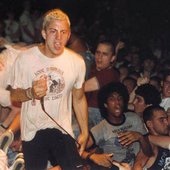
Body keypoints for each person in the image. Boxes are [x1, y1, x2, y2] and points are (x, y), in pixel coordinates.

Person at [9, 9, 88, 170]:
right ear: (44, 33)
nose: (58, 38)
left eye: (63, 32)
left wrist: (84, 131)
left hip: (61, 128)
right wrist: (30, 92)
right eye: (53, 31)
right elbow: (14, 95)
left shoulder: (77, 62)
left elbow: (79, 98)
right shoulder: (25, 59)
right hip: (33, 129)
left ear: (69, 35)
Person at [82, 82, 152, 169]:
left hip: (140, 165)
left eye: (120, 98)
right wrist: (92, 156)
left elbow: (149, 152)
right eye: (112, 99)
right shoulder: (100, 128)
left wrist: (140, 137)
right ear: (105, 104)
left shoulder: (134, 118)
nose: (117, 103)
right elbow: (77, 150)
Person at [85, 40, 120, 128]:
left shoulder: (110, 74)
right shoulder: (94, 68)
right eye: (98, 52)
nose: (99, 57)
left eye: (104, 54)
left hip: (97, 114)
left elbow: (82, 88)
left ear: (112, 58)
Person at [133, 105, 170, 170]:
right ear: (150, 124)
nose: (166, 123)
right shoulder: (148, 144)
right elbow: (138, 165)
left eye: (166, 118)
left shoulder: (165, 134)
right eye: (161, 120)